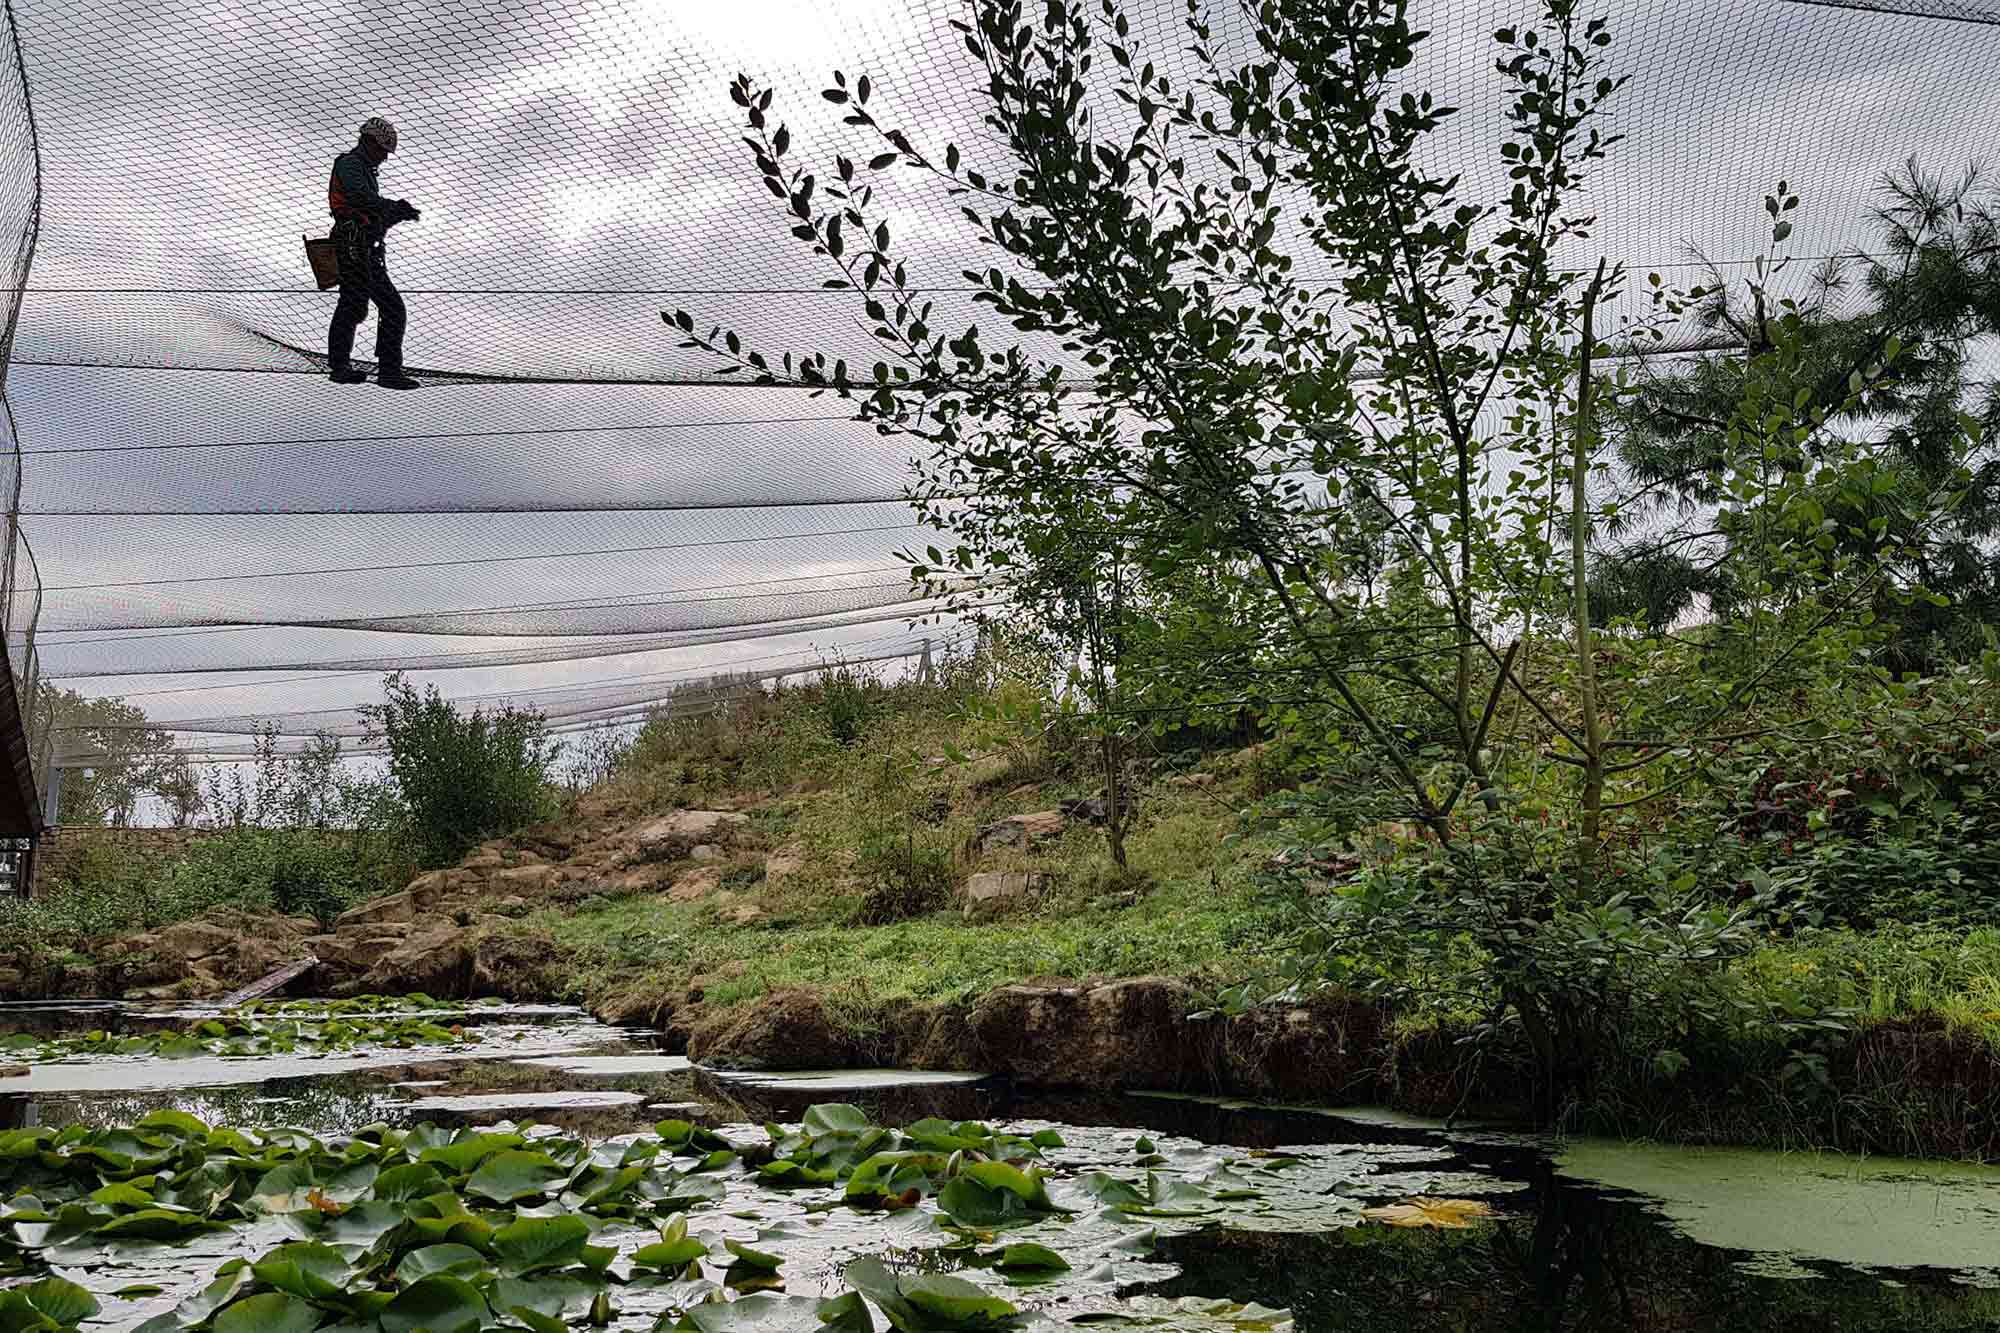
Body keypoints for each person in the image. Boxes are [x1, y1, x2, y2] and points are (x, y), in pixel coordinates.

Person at [325, 116, 422, 390]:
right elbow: (359, 199)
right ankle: (346, 366)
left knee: (376, 306)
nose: (384, 158)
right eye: (382, 151)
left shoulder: (365, 170)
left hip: (363, 245)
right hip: (352, 244)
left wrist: (396, 214)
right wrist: (393, 207)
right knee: (356, 304)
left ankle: (379, 370)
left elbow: (371, 212)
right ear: (369, 142)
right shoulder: (350, 164)